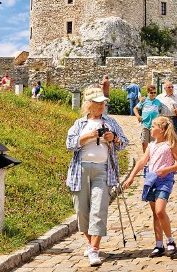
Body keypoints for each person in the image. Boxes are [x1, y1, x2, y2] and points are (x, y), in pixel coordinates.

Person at [66, 86, 129, 266]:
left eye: (103, 103)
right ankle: (90, 242)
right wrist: (87, 137)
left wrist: (114, 138)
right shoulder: (80, 124)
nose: (102, 106)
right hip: (80, 170)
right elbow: (69, 144)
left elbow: (124, 142)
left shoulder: (111, 122)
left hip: (103, 169)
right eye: (98, 103)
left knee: (99, 209)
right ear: (89, 104)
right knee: (82, 212)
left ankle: (94, 250)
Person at [124, 116, 177, 257]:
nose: (151, 128)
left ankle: (170, 241)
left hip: (165, 180)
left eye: (153, 126)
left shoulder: (170, 144)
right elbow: (142, 161)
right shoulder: (151, 145)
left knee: (160, 210)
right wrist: (132, 176)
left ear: (162, 130)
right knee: (155, 214)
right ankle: (159, 244)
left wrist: (167, 170)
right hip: (151, 180)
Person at [134, 85, 162, 152]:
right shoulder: (144, 101)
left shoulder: (158, 102)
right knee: (144, 142)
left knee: (153, 143)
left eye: (154, 92)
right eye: (151, 93)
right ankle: (145, 157)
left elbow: (161, 111)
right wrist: (138, 116)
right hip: (145, 125)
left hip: (154, 126)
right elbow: (135, 108)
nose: (153, 94)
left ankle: (152, 157)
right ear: (148, 93)